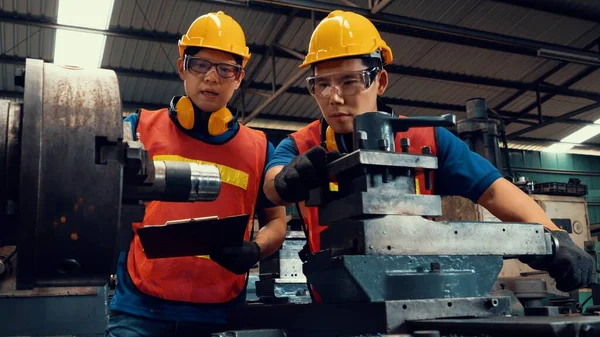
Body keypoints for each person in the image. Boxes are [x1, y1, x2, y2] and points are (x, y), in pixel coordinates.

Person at [263, 10, 593, 293]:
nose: (334, 98)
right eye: (322, 84)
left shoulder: (429, 139)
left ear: (380, 81)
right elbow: (273, 182)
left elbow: (493, 190)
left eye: (350, 82)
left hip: (422, 299)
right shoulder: (301, 144)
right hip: (334, 302)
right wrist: (288, 180)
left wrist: (554, 235)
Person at [106, 11, 287, 337]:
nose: (212, 77)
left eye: (225, 69)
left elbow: (276, 221)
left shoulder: (260, 149)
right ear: (182, 68)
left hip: (219, 315)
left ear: (239, 77)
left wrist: (256, 250)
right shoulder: (139, 128)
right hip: (140, 310)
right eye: (200, 64)